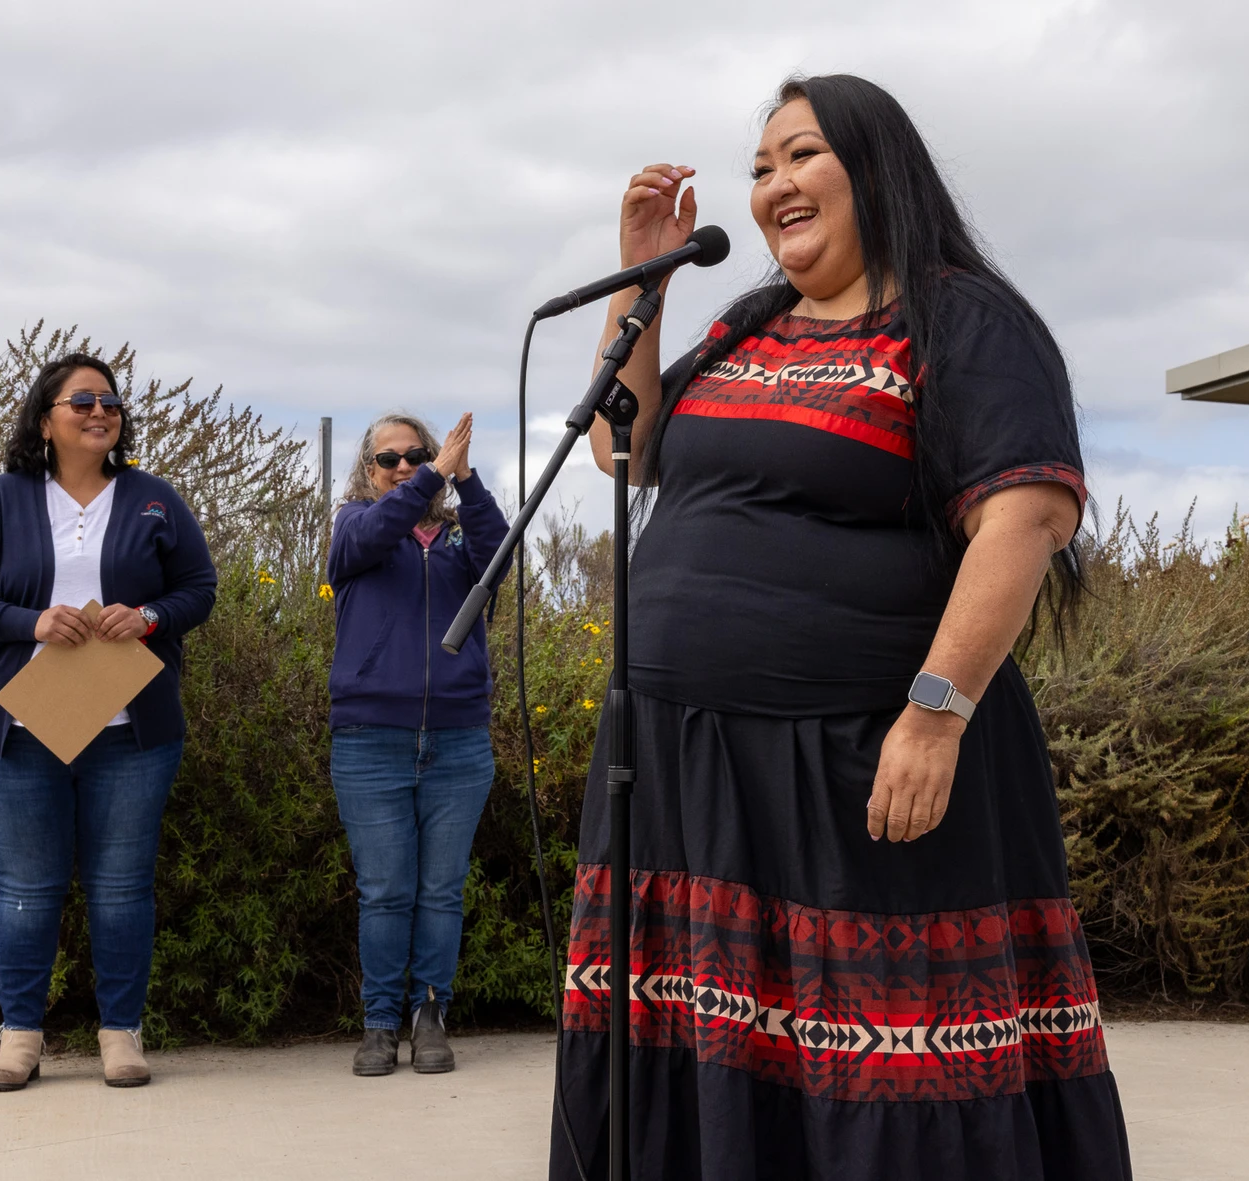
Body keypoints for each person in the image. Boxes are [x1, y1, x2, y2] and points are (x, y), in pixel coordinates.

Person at [552, 75, 1133, 1179]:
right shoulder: (747, 321)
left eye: (800, 155)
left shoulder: (960, 316)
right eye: (760, 167)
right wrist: (645, 281)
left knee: (882, 1071)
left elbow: (1024, 515)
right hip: (686, 765)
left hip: (851, 761)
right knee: (703, 1056)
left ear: (873, 166)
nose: (773, 184)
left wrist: (935, 712)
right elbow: (620, 444)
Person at [0, 353, 216, 1092]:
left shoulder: (154, 498)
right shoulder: (2, 498)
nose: (101, 411)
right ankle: (20, 1038)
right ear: (46, 417)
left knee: (122, 888)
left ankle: (121, 1034)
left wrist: (150, 615)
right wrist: (30, 622)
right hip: (16, 733)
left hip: (133, 733)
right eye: (83, 399)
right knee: (27, 888)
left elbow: (199, 589)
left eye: (112, 402)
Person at [328, 411, 510, 1076]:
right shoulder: (355, 525)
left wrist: (468, 481)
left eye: (418, 455)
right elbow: (380, 529)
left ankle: (429, 1013)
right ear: (368, 470)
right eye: (389, 459)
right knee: (384, 890)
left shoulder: (461, 541)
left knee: (441, 889)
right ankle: (379, 1023)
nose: (404, 467)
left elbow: (500, 553)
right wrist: (435, 472)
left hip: (459, 740)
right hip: (371, 740)